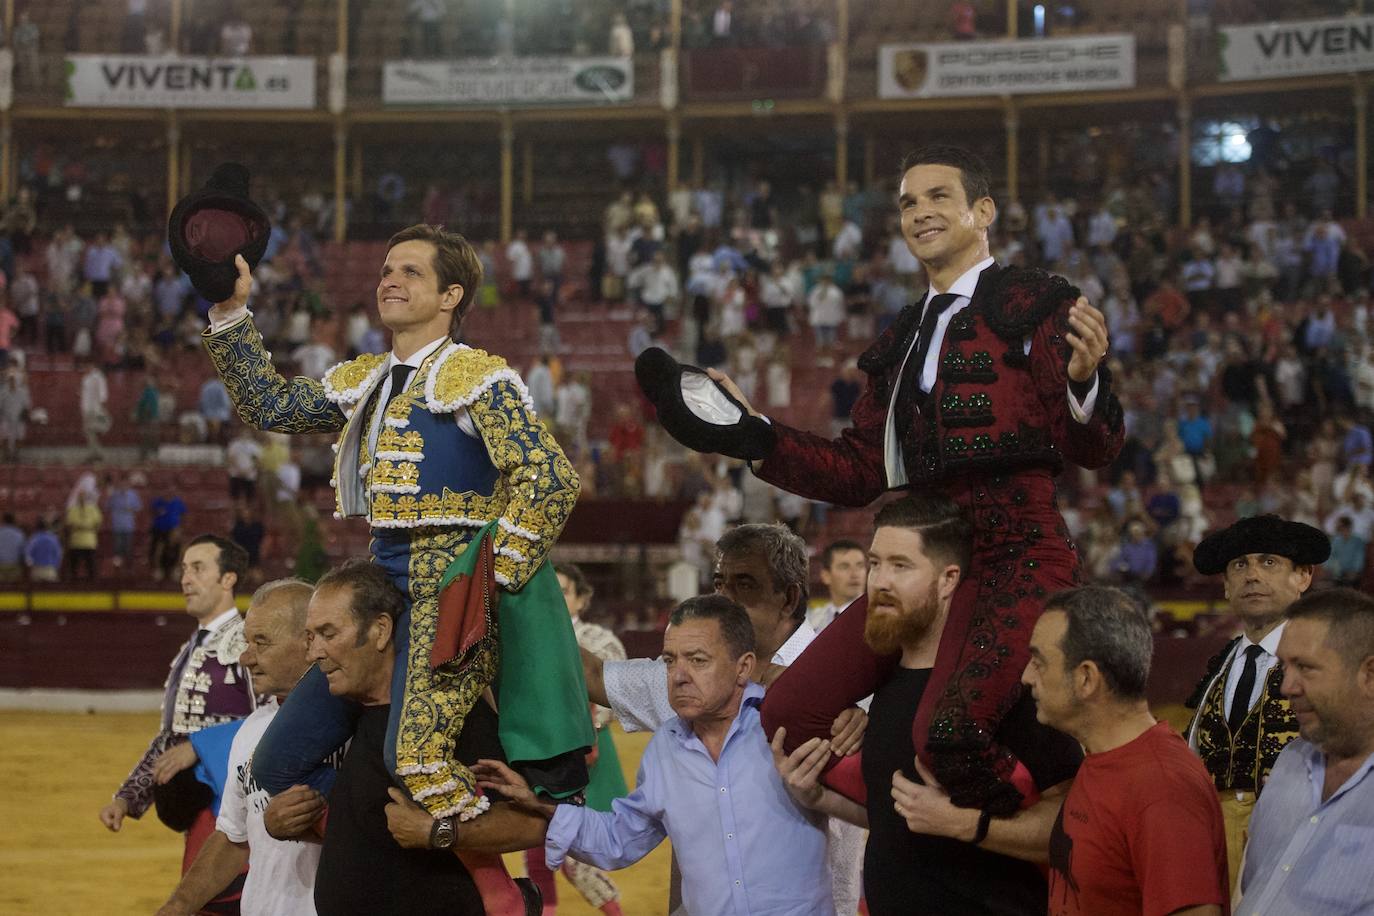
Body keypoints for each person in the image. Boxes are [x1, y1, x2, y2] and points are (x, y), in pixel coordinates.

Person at [667, 145, 1123, 815]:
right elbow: (859, 471)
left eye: (939, 196)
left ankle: (1068, 800)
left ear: (982, 211)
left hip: (1016, 550)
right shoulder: (902, 336)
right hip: (920, 558)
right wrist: (753, 433)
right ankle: (909, 822)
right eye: (909, 203)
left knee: (955, 735)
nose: (921, 212)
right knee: (790, 710)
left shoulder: (1040, 303)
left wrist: (1084, 383)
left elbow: (1095, 446)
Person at [200, 223, 584, 844]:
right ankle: (376, 848)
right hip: (379, 578)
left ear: (451, 295)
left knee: (419, 758)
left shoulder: (480, 379)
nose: (390, 280)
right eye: (385, 270)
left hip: (451, 581)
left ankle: (493, 875)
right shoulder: (367, 381)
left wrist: (491, 579)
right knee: (274, 763)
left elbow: (550, 478)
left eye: (411, 272)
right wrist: (230, 311)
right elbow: (270, 406)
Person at [773, 494, 1083, 915]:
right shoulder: (884, 682)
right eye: (875, 563)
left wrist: (969, 825)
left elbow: (1074, 823)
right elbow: (903, 819)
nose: (879, 581)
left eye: (901, 566)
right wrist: (820, 800)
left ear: (947, 580)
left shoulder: (1005, 686)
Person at [484, 595, 838, 916]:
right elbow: (619, 839)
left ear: (743, 667)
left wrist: (854, 718)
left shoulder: (790, 724)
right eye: (670, 661)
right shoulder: (664, 750)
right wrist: (541, 803)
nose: (678, 676)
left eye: (698, 660)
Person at [580, 523, 867, 916]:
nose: (725, 597)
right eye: (719, 583)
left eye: (744, 584)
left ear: (788, 597)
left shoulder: (846, 678)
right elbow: (592, 676)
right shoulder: (684, 673)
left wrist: (865, 719)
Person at [276, 560, 547, 916]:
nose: (314, 654)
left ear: (380, 630)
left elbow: (534, 825)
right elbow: (366, 830)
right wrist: (285, 821)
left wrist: (439, 832)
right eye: (311, 637)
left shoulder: (447, 718)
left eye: (328, 634)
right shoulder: (345, 718)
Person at [1024, 586, 1228, 915]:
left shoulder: (1162, 787)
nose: (1027, 677)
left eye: (1039, 662)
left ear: (1086, 678)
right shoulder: (1108, 758)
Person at [99, 536, 256, 913]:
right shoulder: (195, 646)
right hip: (201, 810)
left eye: (198, 568)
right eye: (184, 569)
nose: (185, 578)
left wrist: (199, 747)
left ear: (228, 579)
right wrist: (129, 796)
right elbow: (172, 737)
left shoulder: (247, 641)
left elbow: (273, 721)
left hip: (234, 815)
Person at [154, 579, 319, 916]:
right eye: (247, 642)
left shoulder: (357, 727)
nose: (245, 658)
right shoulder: (252, 729)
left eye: (262, 642)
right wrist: (179, 905)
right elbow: (233, 839)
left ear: (309, 641)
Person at [1184, 514, 1330, 889]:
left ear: (1303, 576)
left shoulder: (1329, 659)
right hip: (1210, 845)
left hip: (1298, 845)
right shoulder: (1221, 665)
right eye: (1239, 565)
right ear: (1227, 587)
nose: (1252, 575)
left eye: (1268, 562)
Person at [1236, 587, 1374, 914]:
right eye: (1284, 666)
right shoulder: (1289, 762)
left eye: (1306, 667)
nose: (1286, 687)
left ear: (1370, 675)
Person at [522, 563, 627, 916]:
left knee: (575, 852)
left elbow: (613, 695)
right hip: (538, 752)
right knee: (535, 844)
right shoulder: (529, 635)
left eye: (564, 591)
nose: (555, 597)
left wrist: (586, 733)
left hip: (587, 754)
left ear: (581, 600)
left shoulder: (600, 641)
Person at [807, 538, 867, 632]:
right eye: (844, 567)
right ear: (826, 576)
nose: (855, 574)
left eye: (860, 566)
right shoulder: (812, 622)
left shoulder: (879, 617)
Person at [24, 516, 61, 581]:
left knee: (36, 590)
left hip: (37, 569)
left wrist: (30, 565)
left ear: (36, 528)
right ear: (47, 528)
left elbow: (28, 554)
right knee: (50, 590)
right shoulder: (53, 538)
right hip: (50, 569)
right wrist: (55, 566)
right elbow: (58, 554)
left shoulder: (34, 538)